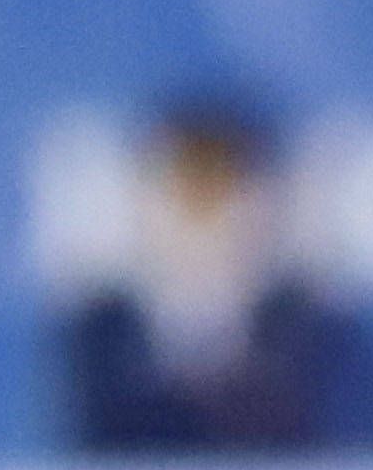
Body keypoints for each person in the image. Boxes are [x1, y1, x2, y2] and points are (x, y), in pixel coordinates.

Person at [57, 91, 346, 451]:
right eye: (188, 192)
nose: (204, 225)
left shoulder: (311, 335)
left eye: (220, 191)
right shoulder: (102, 336)